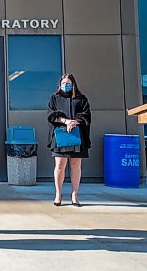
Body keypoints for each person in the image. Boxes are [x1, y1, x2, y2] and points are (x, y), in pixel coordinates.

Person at [47, 73, 91, 207]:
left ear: (73, 85)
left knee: (75, 165)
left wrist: (75, 122)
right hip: (60, 137)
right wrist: (65, 121)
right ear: (59, 85)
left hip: (77, 136)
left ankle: (74, 194)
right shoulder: (55, 98)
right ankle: (58, 194)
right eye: (63, 83)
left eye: (68, 84)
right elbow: (51, 115)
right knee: (60, 165)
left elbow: (86, 115)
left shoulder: (81, 99)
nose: (66, 86)